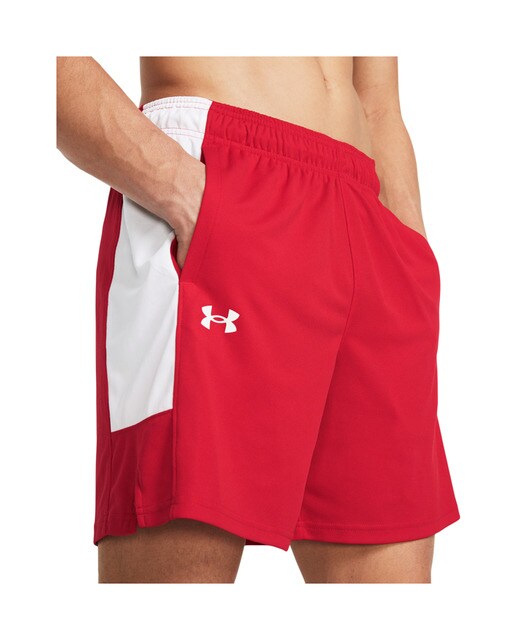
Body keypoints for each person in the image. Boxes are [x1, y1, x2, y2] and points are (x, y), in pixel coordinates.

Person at [56, 56, 460, 583]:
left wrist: (411, 253)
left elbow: (379, 102)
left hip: (369, 221)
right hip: (226, 173)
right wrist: (183, 189)